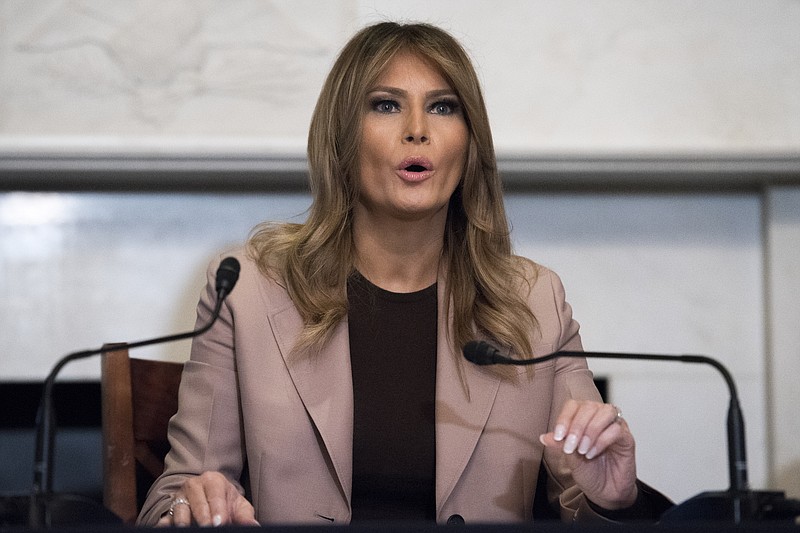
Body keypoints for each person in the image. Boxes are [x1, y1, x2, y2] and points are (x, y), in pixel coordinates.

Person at [137, 21, 671, 527]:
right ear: (343, 136)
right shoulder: (250, 288)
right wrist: (195, 504)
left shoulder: (533, 302)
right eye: (387, 106)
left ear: (469, 143)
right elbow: (175, 491)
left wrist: (614, 499)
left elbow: (581, 500)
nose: (417, 131)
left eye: (443, 107)